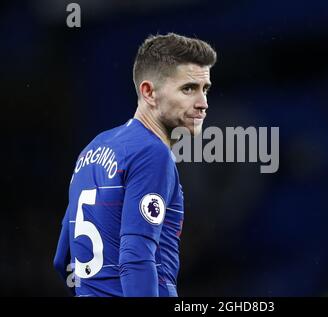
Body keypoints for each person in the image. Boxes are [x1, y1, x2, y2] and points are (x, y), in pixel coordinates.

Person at [53, 33, 217, 297]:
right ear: (149, 92)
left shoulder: (92, 148)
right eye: (188, 89)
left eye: (204, 89)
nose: (202, 104)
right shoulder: (152, 153)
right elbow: (136, 256)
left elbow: (63, 258)